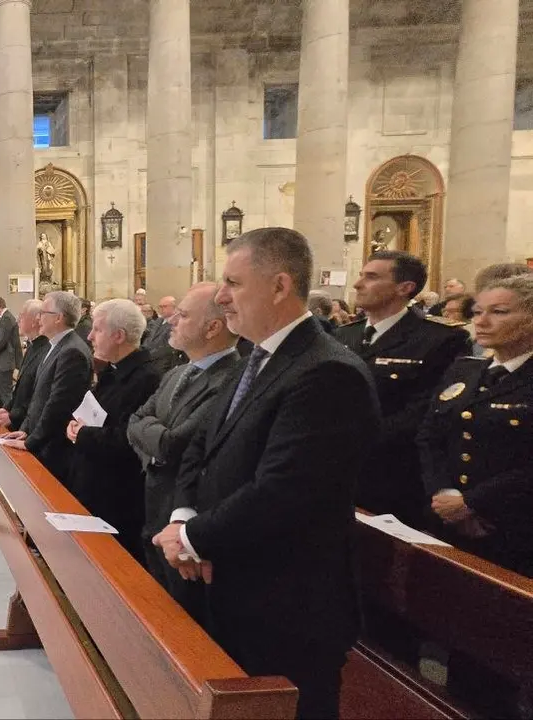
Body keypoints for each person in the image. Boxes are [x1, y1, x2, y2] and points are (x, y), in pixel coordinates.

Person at [153, 227, 380, 719]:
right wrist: (185, 518)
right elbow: (200, 448)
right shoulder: (255, 358)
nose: (221, 296)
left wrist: (192, 537)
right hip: (230, 576)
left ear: (279, 286)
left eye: (233, 283)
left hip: (286, 601)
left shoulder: (325, 372)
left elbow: (284, 491)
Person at [127, 282, 241, 618]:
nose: (172, 321)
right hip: (153, 509)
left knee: (184, 619)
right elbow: (134, 421)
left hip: (186, 516)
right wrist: (155, 442)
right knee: (157, 610)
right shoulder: (177, 372)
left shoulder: (230, 379)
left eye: (183, 314)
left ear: (213, 327)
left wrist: (154, 440)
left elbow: (175, 445)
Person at [334, 251, 470, 529]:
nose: (358, 284)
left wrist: (351, 442)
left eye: (371, 277)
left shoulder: (440, 338)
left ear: (404, 288)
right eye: (361, 275)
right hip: (337, 470)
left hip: (393, 475)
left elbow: (425, 411)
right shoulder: (344, 335)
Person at [418, 274, 533, 577]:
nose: (481, 321)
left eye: (499, 312)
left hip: (513, 526)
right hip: (447, 517)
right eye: (478, 312)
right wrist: (444, 494)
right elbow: (430, 437)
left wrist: (471, 503)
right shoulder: (465, 369)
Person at [65, 299, 161, 561]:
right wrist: (77, 425)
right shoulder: (113, 371)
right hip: (93, 480)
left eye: (97, 329)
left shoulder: (146, 378)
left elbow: (129, 438)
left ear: (118, 336)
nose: (90, 336)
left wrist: (83, 434)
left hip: (117, 495)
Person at [1, 291, 93, 484]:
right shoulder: (55, 346)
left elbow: (58, 405)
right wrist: (26, 429)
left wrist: (32, 441)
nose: (38, 317)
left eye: (43, 312)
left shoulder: (72, 351)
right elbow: (38, 396)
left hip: (52, 446)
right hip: (40, 438)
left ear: (58, 318)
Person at [0, 300, 49, 431]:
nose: (18, 320)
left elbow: (35, 394)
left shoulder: (45, 349)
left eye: (21, 316)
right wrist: (6, 408)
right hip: (19, 418)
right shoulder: (33, 346)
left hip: (28, 424)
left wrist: (13, 416)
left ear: (35, 321)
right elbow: (20, 388)